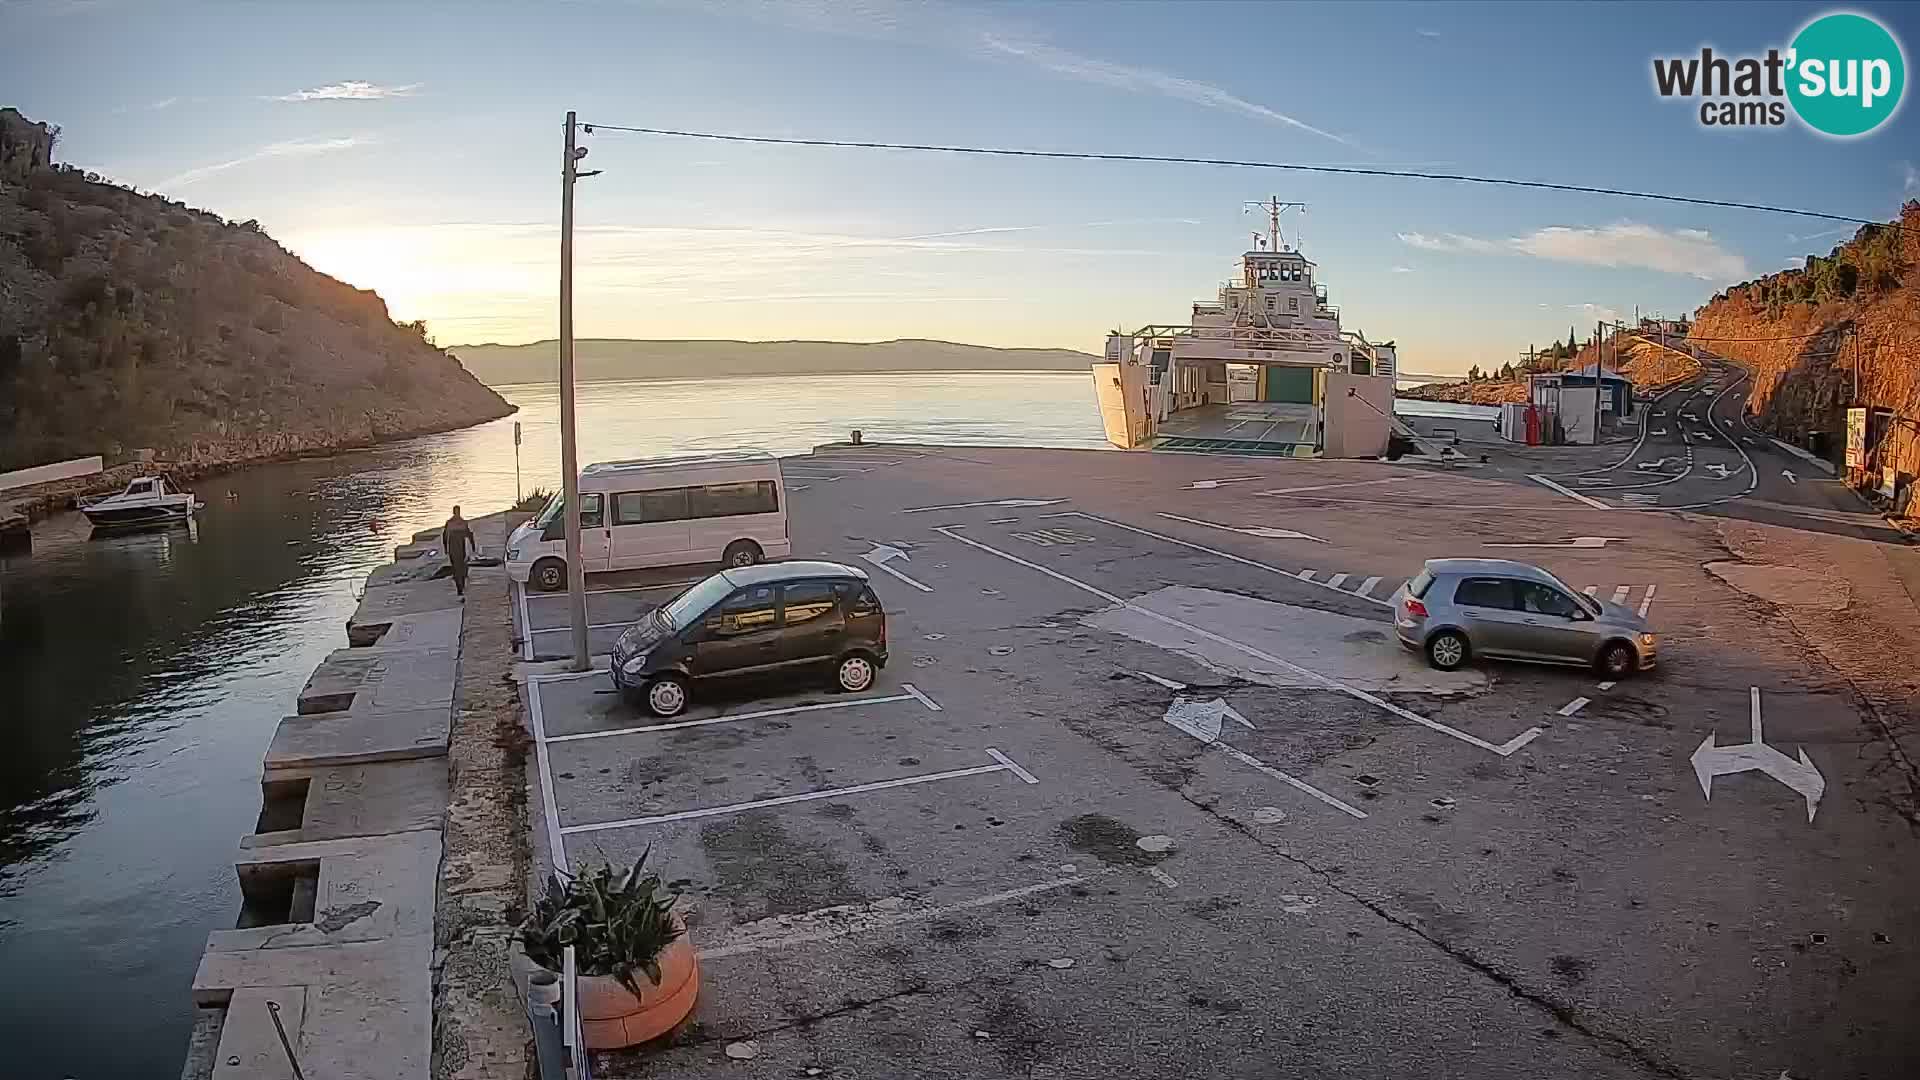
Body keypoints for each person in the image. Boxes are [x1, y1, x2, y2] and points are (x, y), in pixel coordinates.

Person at [443, 505, 479, 598]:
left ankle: (459, 587)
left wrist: (445, 548)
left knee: (456, 568)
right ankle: (461, 586)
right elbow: (469, 535)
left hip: (454, 549)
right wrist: (473, 546)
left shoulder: (450, 523)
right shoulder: (462, 523)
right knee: (461, 568)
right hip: (459, 549)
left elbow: (445, 537)